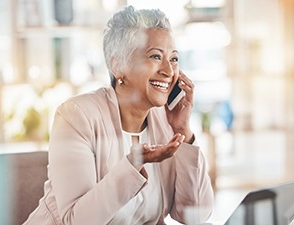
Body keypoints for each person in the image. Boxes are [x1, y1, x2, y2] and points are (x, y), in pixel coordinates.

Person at [23, 5, 214, 225]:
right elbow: (76, 221)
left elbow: (197, 216)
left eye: (173, 59)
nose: (169, 71)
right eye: (155, 56)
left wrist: (184, 132)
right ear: (118, 65)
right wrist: (133, 164)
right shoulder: (76, 116)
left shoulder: (165, 121)